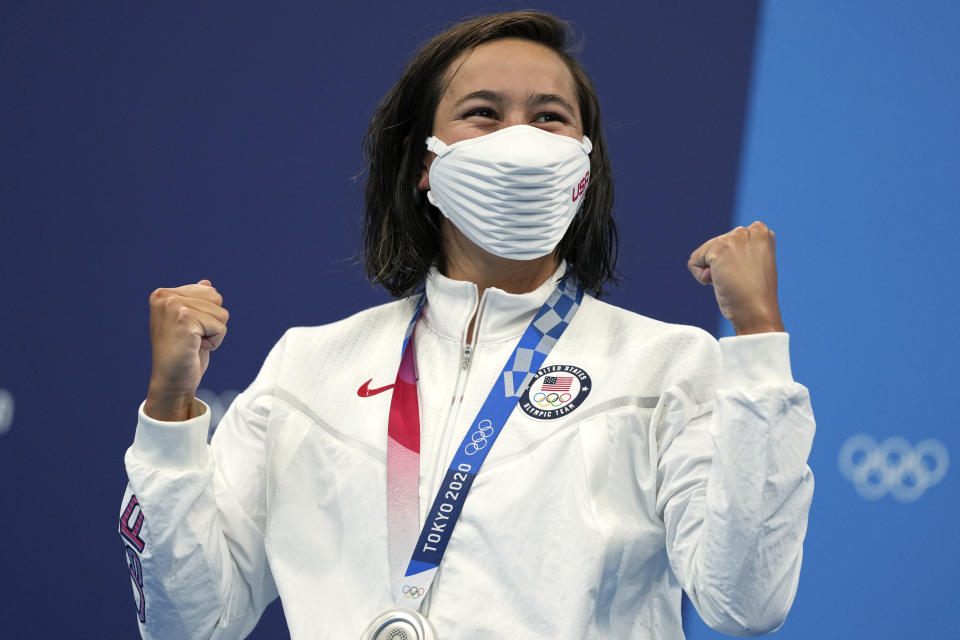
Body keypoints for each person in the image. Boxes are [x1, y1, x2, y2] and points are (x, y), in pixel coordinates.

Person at [119, 11, 814, 640]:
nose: (519, 140)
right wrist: (171, 412)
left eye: (549, 117)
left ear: (585, 164)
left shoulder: (663, 365)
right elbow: (191, 624)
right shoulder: (309, 367)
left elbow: (745, 600)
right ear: (426, 163)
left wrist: (756, 338)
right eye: (483, 112)